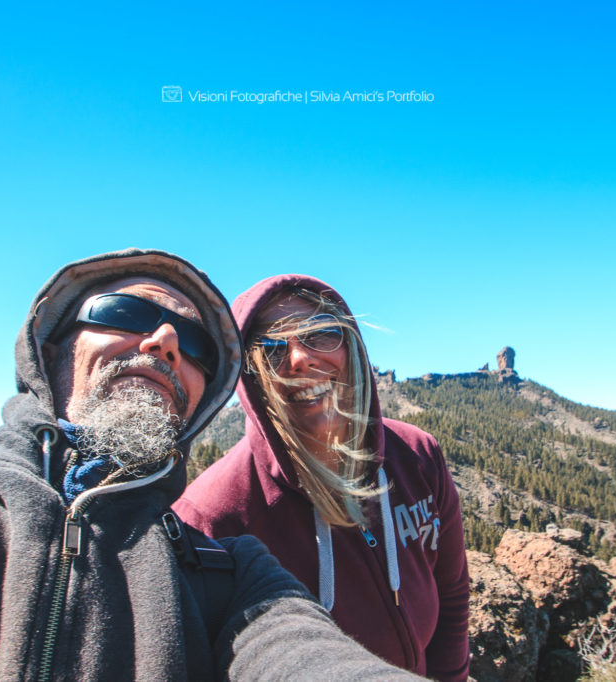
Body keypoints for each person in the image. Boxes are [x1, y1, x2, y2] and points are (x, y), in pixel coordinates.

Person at [0, 249, 423, 680]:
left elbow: (303, 654)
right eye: (126, 314)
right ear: (53, 344)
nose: (165, 340)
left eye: (195, 342)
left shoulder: (227, 575)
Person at [176, 275, 471, 681]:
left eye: (320, 334)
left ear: (351, 345)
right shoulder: (212, 516)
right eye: (270, 348)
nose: (300, 359)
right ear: (249, 377)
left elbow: (452, 594)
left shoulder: (417, 455)